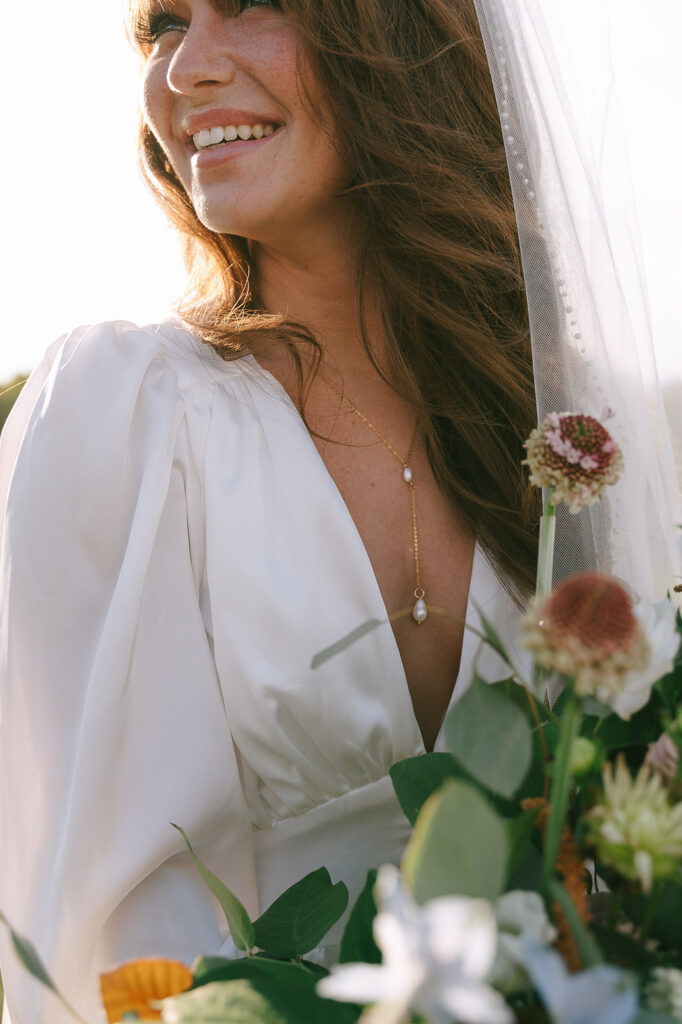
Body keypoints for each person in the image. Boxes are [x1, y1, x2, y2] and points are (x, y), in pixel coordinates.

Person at [0, 1, 678, 1022]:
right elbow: (116, 917)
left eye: (252, 6)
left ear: (396, 35)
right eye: (165, 24)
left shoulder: (565, 427)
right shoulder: (121, 414)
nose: (184, 70)